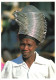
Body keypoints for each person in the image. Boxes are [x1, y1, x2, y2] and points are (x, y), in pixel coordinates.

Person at [1, 5, 55, 79]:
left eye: (29, 45)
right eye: (22, 44)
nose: (25, 48)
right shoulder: (11, 66)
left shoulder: (47, 65)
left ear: (37, 45)